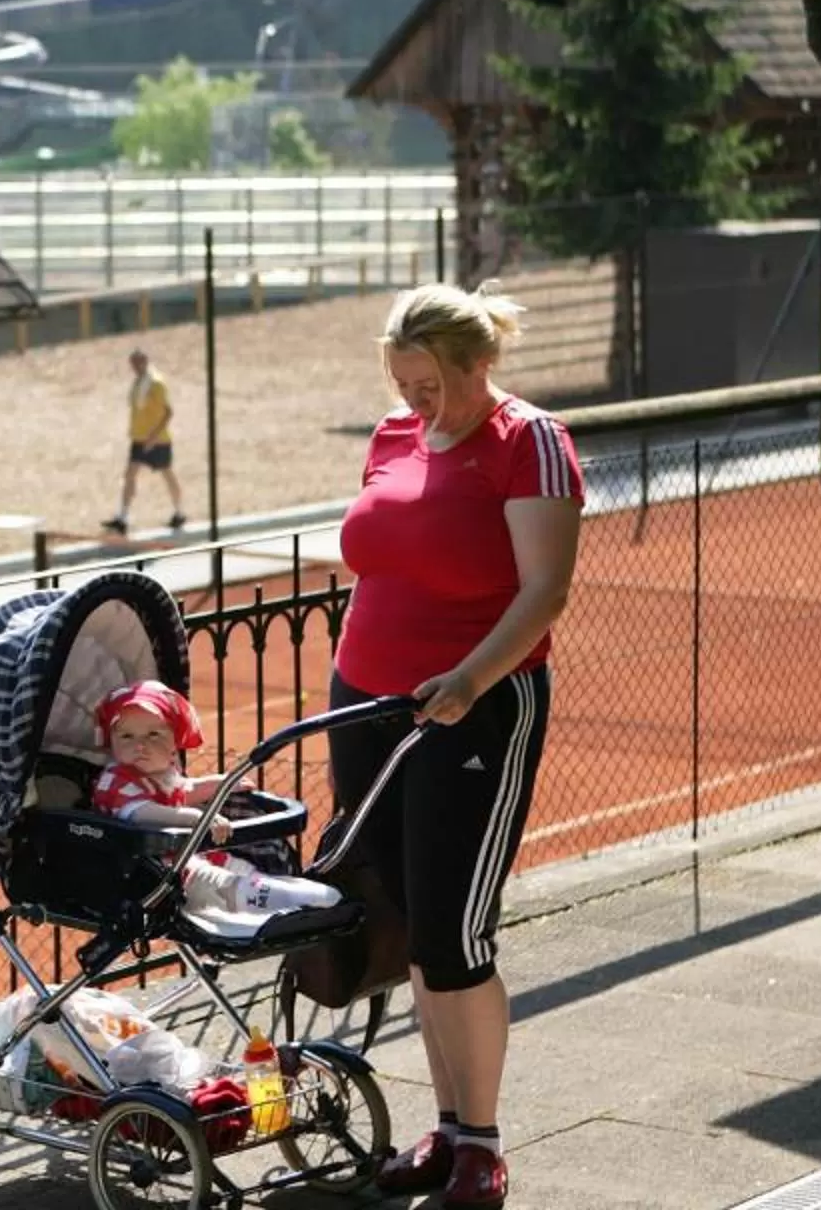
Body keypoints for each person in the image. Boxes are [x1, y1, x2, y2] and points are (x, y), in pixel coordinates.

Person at [329, 284, 579, 1210]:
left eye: (428, 384)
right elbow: (382, 559)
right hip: (369, 706)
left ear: (479, 365)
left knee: (454, 930)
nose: (413, 403)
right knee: (405, 917)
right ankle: (445, 1129)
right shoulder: (394, 435)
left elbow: (544, 591)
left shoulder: (531, 443)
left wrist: (468, 681)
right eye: (401, 384)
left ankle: (481, 1145)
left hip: (474, 711)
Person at [92, 681, 343, 923]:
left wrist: (223, 783)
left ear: (174, 744)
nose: (140, 745)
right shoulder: (116, 780)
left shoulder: (160, 772)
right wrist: (200, 818)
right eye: (126, 736)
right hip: (143, 869)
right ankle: (257, 896)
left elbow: (185, 790)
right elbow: (142, 813)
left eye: (153, 735)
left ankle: (269, 888)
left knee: (234, 864)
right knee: (207, 880)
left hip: (178, 856)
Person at [105, 348, 186, 535]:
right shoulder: (138, 382)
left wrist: (153, 437)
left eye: (136, 363)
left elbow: (168, 412)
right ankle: (122, 517)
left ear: (144, 361)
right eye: (132, 363)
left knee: (167, 474)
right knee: (130, 475)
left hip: (157, 439)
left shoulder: (156, 383)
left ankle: (179, 512)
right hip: (139, 438)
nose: (133, 367)